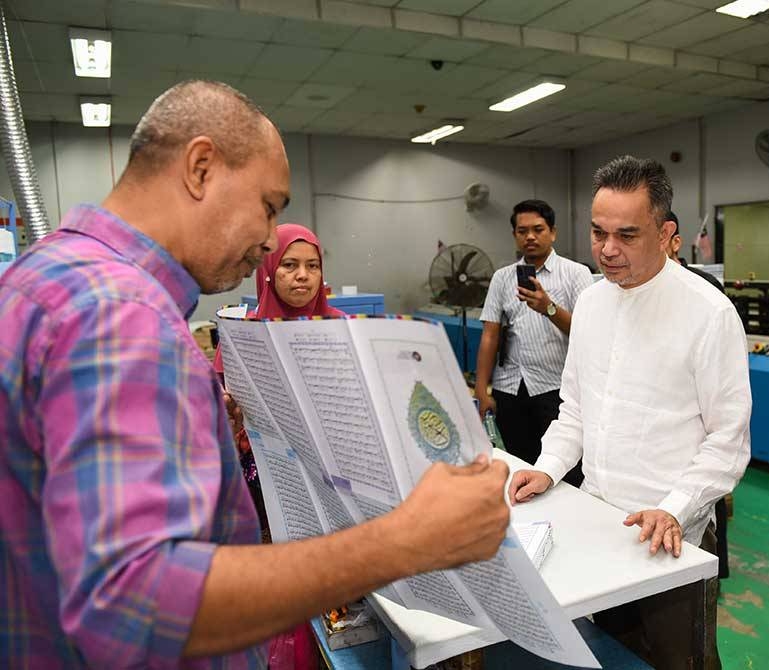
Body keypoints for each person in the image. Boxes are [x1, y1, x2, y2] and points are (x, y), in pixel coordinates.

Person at [0, 80, 510, 669]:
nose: (269, 238)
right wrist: (404, 542)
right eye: (268, 206)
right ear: (200, 168)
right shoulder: (123, 317)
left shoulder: (49, 276)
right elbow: (132, 606)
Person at [508, 156, 752, 670]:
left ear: (665, 234)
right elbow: (574, 407)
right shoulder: (593, 304)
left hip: (672, 535)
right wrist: (547, 467)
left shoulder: (708, 313)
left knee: (681, 660)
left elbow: (728, 438)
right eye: (598, 232)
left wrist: (676, 507)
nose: (607, 249)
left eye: (627, 235)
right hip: (598, 523)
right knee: (617, 655)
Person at [213, 223, 347, 668]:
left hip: (333, 480)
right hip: (266, 485)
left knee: (330, 584)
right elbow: (218, 411)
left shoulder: (341, 330)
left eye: (312, 266)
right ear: (268, 272)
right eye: (289, 265)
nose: (302, 276)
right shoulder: (245, 335)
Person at [474, 199, 593, 485]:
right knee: (519, 465)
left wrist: (548, 308)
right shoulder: (502, 278)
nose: (529, 236)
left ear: (553, 232)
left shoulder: (576, 274)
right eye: (522, 230)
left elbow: (588, 333)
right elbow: (490, 333)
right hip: (510, 389)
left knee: (565, 472)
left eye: (538, 229)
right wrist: (481, 388)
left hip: (556, 390)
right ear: (514, 234)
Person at [665, 211, 731, 581]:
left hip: (702, 411)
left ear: (673, 239)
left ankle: (712, 568)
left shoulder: (706, 291)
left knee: (707, 501)